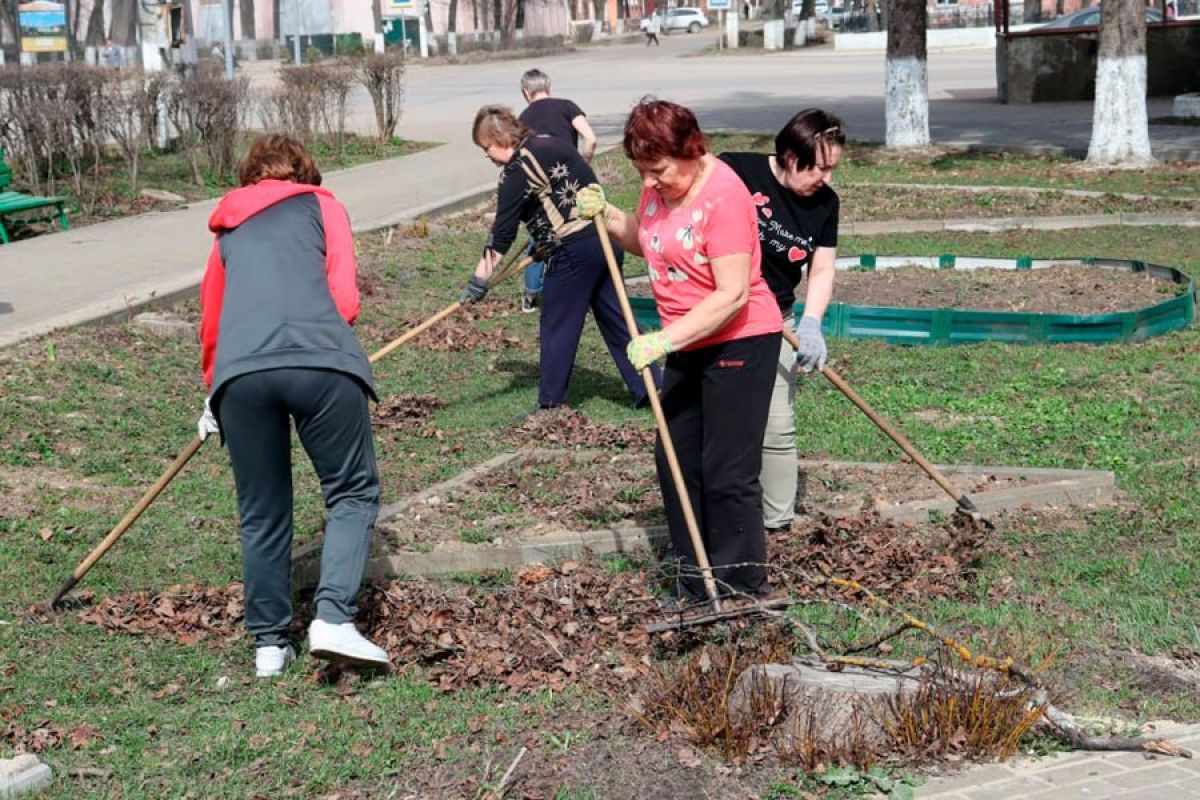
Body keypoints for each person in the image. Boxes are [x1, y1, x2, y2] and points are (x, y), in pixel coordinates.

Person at [196, 134, 389, 678]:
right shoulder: (322, 206)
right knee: (351, 491)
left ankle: (269, 647)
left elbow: (212, 315)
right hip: (319, 363)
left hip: (240, 376)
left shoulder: (226, 224)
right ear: (304, 170)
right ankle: (332, 617)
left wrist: (214, 390)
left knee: (262, 510)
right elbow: (345, 299)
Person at [576, 99, 783, 605]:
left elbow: (731, 294)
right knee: (676, 463)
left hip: (739, 340)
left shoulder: (724, 195)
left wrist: (665, 339)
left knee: (727, 472)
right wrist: (609, 214)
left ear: (692, 150)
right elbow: (650, 243)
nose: (649, 183)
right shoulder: (659, 190)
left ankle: (740, 589)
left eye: (659, 170)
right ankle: (696, 581)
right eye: (641, 172)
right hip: (687, 342)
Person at [461, 105, 657, 414]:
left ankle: (550, 404)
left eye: (486, 147)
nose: (486, 155)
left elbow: (502, 233)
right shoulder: (551, 142)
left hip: (574, 252)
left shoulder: (516, 170)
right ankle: (649, 386)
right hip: (606, 238)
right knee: (616, 318)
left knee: (557, 325)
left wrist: (479, 280)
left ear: (500, 138)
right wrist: (543, 238)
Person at [720, 109, 844, 534]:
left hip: (777, 320)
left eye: (833, 168)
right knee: (723, 422)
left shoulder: (826, 203)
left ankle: (776, 523)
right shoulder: (735, 170)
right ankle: (718, 514)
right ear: (791, 157)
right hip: (722, 316)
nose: (827, 178)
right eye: (821, 167)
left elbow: (822, 269)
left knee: (777, 427)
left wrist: (811, 322)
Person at [516, 69, 599, 313]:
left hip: (541, 187)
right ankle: (589, 286)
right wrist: (583, 164)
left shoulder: (523, 118)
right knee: (586, 229)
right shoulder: (567, 106)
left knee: (541, 235)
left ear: (525, 93)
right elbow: (590, 138)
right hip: (570, 183)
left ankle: (531, 294)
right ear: (549, 88)